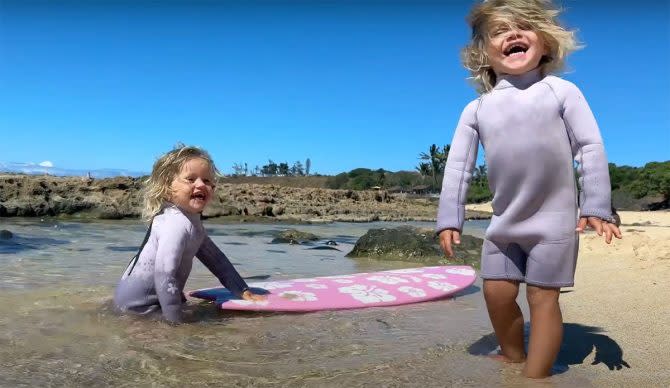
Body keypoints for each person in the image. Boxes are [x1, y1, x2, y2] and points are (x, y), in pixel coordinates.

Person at [436, 0, 622, 378]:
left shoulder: (561, 91)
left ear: (547, 44)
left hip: (553, 225)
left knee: (543, 297)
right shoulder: (476, 110)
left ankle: (536, 377)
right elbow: (458, 167)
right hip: (503, 225)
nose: (514, 35)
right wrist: (448, 218)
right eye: (501, 30)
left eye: (524, 27)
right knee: (496, 294)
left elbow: (589, 147)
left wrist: (596, 205)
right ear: (483, 53)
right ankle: (513, 354)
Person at [114, 145, 265, 323]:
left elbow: (217, 261)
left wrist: (242, 291)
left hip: (147, 301)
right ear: (166, 188)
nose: (201, 185)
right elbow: (164, 274)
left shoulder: (190, 222)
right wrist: (175, 321)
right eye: (190, 179)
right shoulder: (174, 224)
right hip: (139, 309)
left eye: (207, 181)